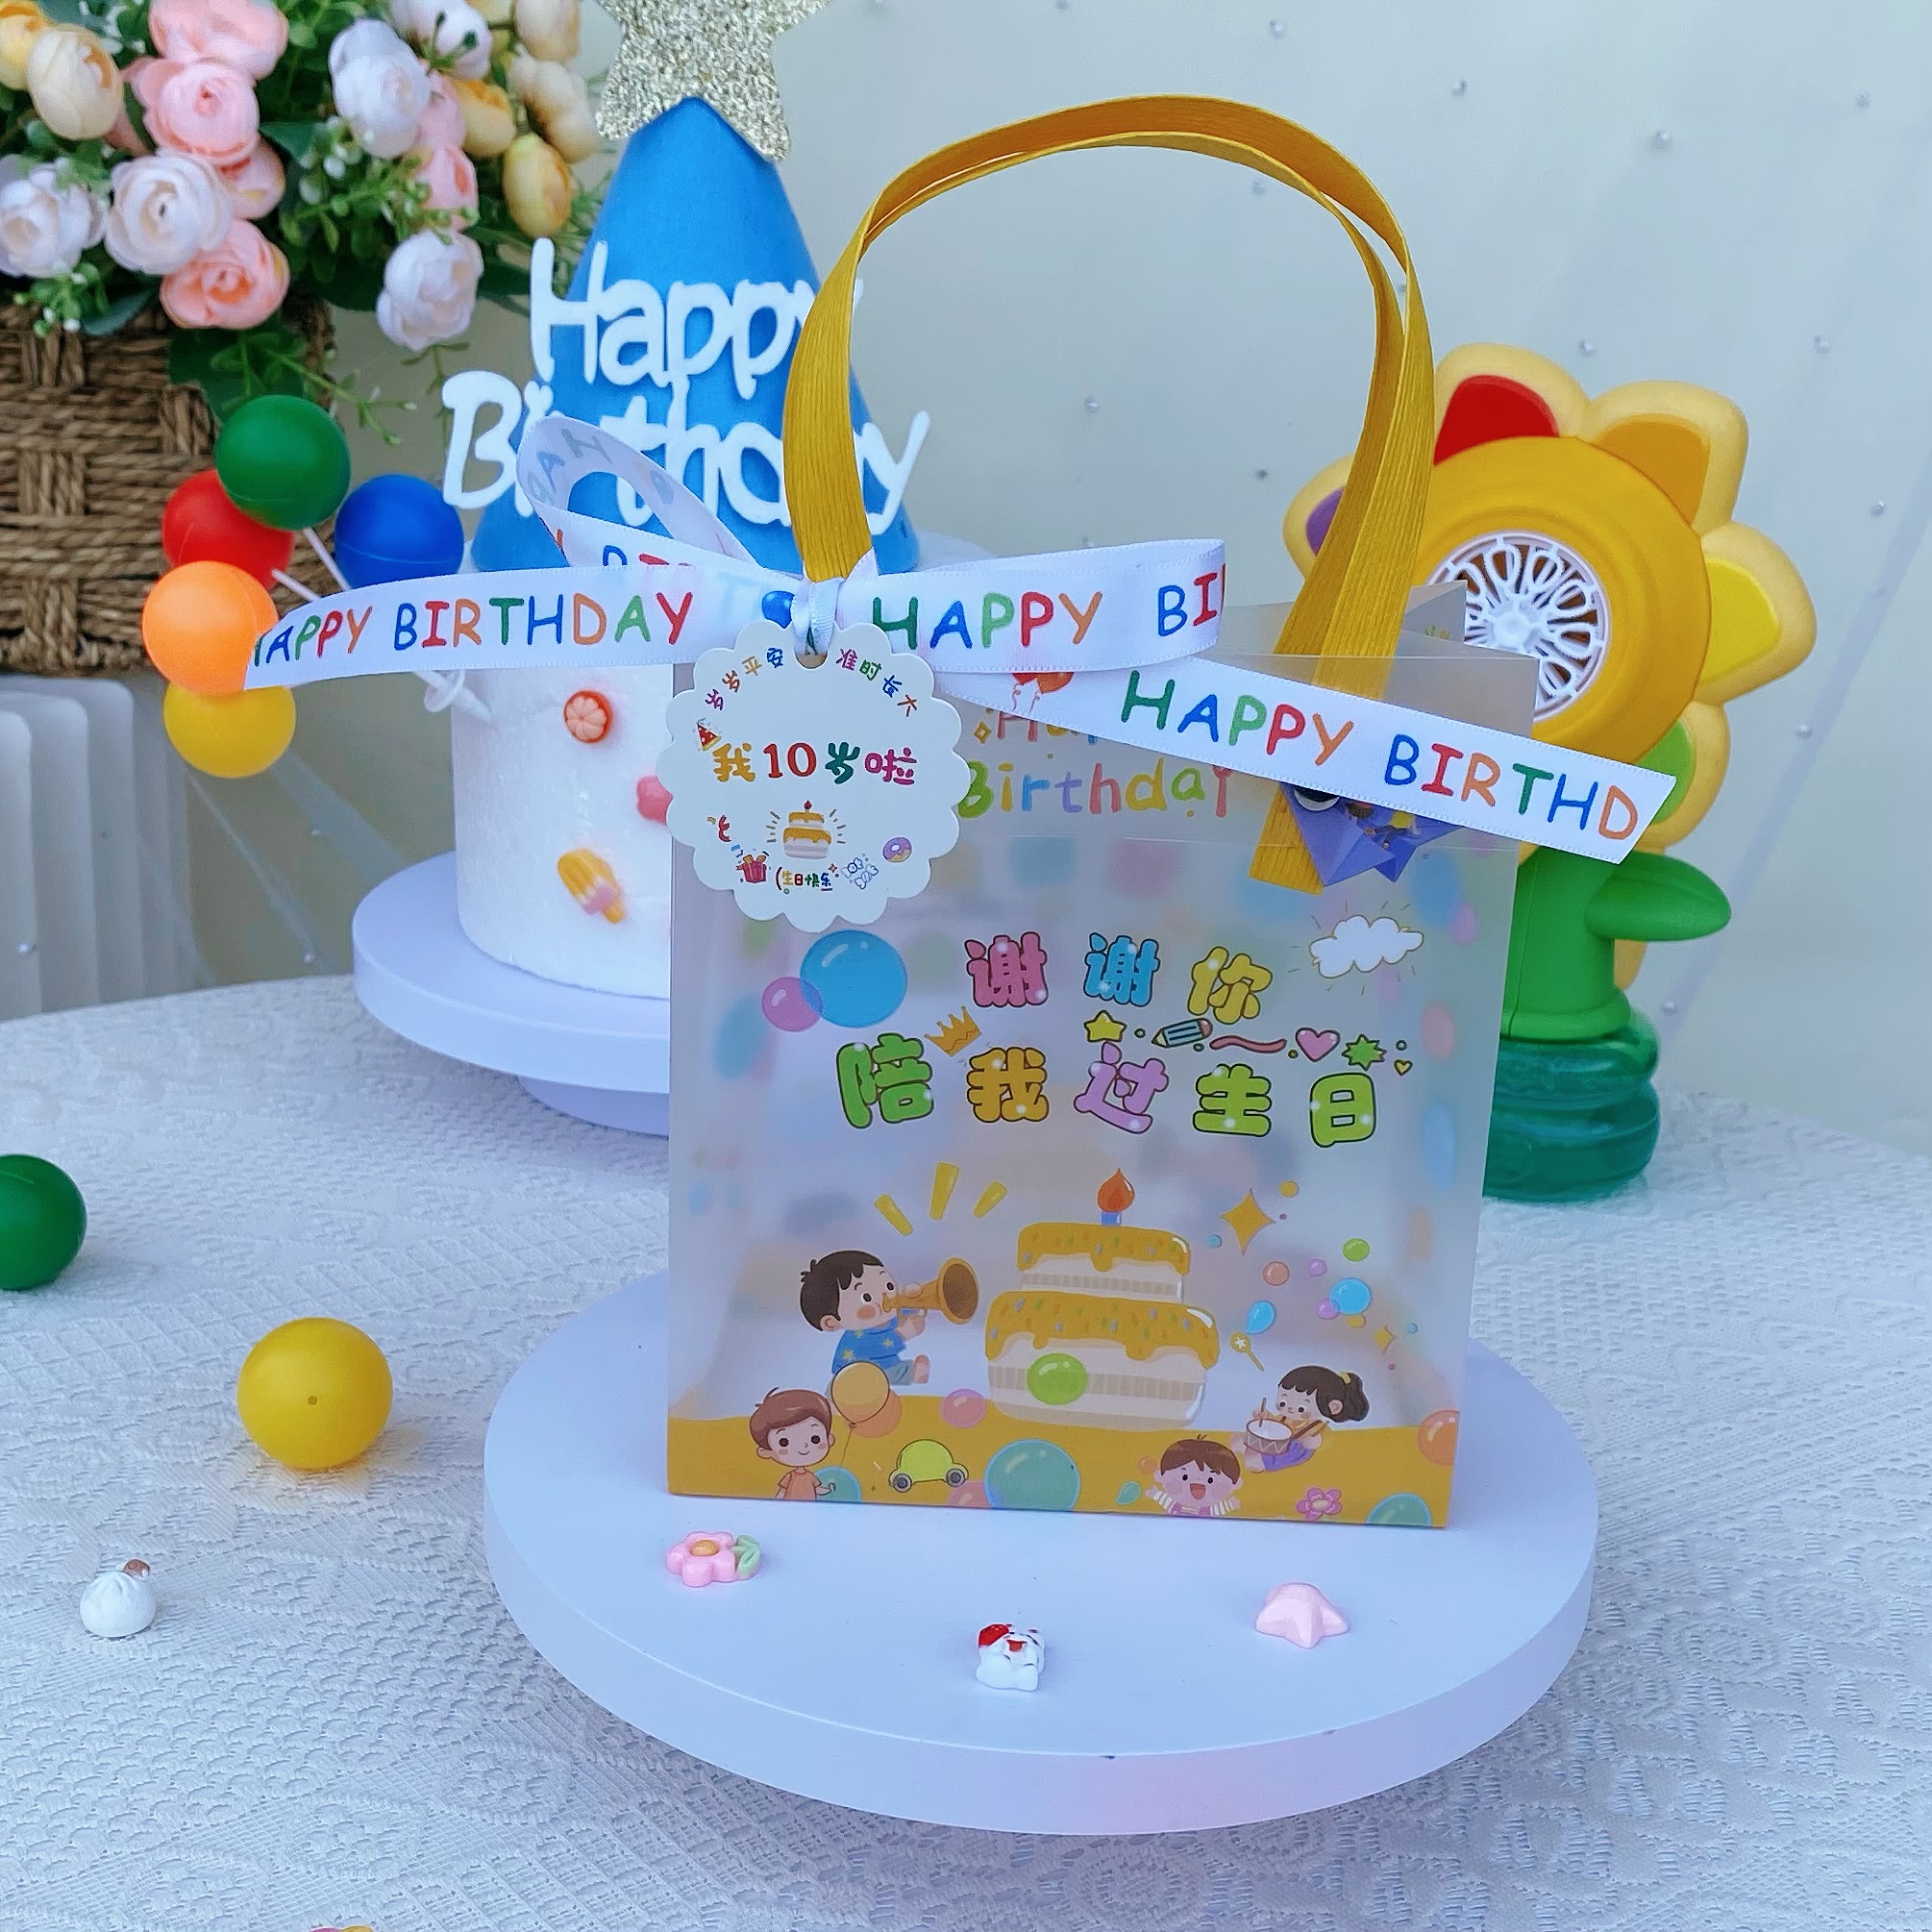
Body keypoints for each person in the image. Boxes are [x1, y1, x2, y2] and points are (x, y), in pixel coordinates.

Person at [798, 1249, 929, 1384]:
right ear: (831, 1323)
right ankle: (911, 1373)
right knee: (882, 1374)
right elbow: (876, 1347)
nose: (884, 1297)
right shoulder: (856, 1336)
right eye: (866, 1298)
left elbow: (906, 1311)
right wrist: (902, 1335)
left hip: (882, 1368)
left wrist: (913, 1299)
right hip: (854, 1376)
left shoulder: (889, 1316)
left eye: (888, 1286)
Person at [1244, 1364, 1369, 1472]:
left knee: (1252, 1459)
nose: (1290, 1409)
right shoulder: (1285, 1417)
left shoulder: (1317, 1425)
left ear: (1333, 1407)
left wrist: (1316, 1441)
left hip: (1292, 1452)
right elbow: (1276, 1423)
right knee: (1240, 1441)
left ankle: (1261, 1463)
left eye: (1301, 1408)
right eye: (1283, 1402)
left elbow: (1326, 1438)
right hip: (1276, 1445)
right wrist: (1265, 1416)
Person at [748, 1387, 837, 1500]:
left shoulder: (810, 1476)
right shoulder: (790, 1476)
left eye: (815, 1439)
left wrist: (829, 1489)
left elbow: (818, 1489)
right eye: (784, 1442)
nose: (803, 1447)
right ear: (766, 1452)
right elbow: (782, 1492)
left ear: (829, 1440)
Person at [1152, 1437, 1243, 1518]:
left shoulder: (1209, 1511)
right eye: (1184, 1477)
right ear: (1160, 1476)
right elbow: (1166, 1501)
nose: (1197, 1484)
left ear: (1235, 1484)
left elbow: (1220, 1509)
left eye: (1210, 1480)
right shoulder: (1174, 1507)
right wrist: (1156, 1494)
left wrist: (1231, 1504)